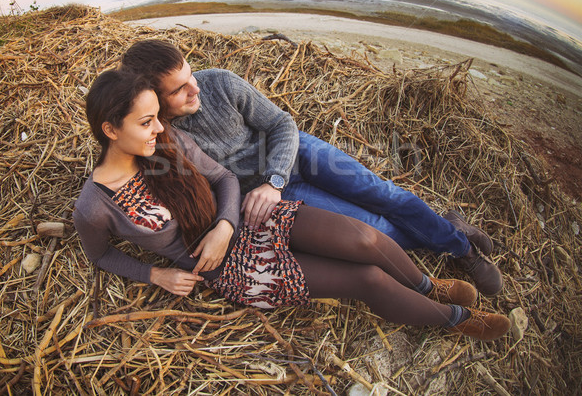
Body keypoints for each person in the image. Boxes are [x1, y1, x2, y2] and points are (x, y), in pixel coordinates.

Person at [73, 68, 511, 341]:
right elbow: (101, 254)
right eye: (146, 122)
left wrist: (226, 224)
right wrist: (157, 274)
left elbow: (224, 178)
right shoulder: (94, 205)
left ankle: (429, 283)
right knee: (367, 281)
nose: (157, 129)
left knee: (364, 236)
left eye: (156, 119)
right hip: (231, 270)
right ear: (111, 129)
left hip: (250, 217)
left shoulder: (171, 141)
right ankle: (456, 320)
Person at [120, 40, 503, 296]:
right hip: (274, 195)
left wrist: (273, 178)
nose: (196, 89)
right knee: (374, 231)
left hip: (296, 156)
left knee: (385, 195)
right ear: (153, 98)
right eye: (180, 89)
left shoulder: (219, 83)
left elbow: (282, 124)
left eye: (191, 75)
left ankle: (461, 247)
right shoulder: (162, 139)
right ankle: (446, 224)